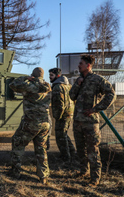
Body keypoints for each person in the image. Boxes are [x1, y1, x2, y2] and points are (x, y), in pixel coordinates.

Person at [69, 54, 116, 187]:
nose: (78, 65)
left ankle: (95, 178)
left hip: (90, 122)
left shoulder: (98, 80)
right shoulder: (79, 80)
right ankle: (83, 171)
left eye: (81, 63)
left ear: (88, 65)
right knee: (80, 149)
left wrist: (96, 109)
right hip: (77, 121)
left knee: (93, 150)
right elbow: (71, 96)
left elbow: (111, 94)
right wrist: (77, 85)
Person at [9, 67, 52, 184]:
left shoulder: (29, 86)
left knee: (18, 143)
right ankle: (43, 176)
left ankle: (16, 171)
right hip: (45, 123)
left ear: (32, 75)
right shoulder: (48, 87)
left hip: (31, 122)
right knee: (41, 148)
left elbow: (12, 85)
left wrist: (25, 78)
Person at [49, 68, 75, 163]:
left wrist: (57, 116)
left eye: (51, 75)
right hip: (69, 113)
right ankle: (72, 152)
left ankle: (65, 157)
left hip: (62, 114)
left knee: (60, 136)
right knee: (64, 134)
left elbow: (59, 104)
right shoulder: (68, 85)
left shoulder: (57, 87)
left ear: (57, 76)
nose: (49, 77)